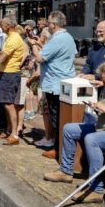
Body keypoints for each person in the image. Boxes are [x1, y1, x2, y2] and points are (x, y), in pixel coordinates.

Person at [43, 63, 105, 203]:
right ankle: (65, 171)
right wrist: (97, 108)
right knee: (69, 129)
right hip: (103, 127)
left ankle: (96, 189)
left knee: (91, 139)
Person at [29, 11, 77, 157]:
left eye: (49, 23)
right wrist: (39, 42)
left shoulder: (57, 39)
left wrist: (33, 45)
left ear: (54, 24)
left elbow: (39, 58)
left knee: (57, 118)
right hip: (64, 81)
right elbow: (55, 54)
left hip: (55, 83)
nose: (47, 25)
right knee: (60, 117)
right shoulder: (68, 37)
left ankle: (58, 149)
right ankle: (60, 148)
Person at [0, 16, 26, 146]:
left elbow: (2, 57)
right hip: (7, 72)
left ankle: (14, 134)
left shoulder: (13, 38)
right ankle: (9, 130)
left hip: (10, 73)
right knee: (6, 103)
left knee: (9, 103)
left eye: (2, 24)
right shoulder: (10, 37)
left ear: (8, 26)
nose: (1, 27)